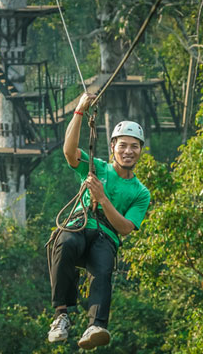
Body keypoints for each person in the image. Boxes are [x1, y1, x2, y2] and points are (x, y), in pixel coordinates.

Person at [47, 93, 151, 350]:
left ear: (140, 151)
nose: (128, 151)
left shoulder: (140, 192)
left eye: (134, 146)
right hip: (82, 224)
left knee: (103, 269)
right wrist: (80, 111)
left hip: (106, 236)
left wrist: (103, 198)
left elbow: (126, 228)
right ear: (113, 146)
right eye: (123, 145)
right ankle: (61, 314)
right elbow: (69, 152)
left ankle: (96, 324)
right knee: (65, 242)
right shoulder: (97, 167)